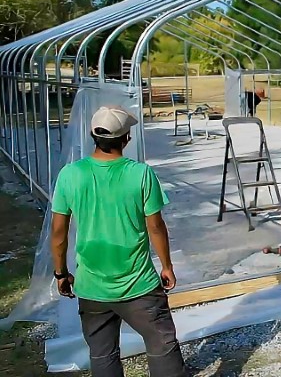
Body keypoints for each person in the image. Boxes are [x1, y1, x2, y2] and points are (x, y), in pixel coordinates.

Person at [50, 106, 187, 377]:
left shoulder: (70, 174)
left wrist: (61, 273)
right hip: (139, 284)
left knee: (102, 355)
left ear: (93, 136)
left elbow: (58, 232)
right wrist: (167, 266)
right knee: (162, 345)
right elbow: (155, 227)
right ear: (126, 139)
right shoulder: (141, 174)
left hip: (91, 286)